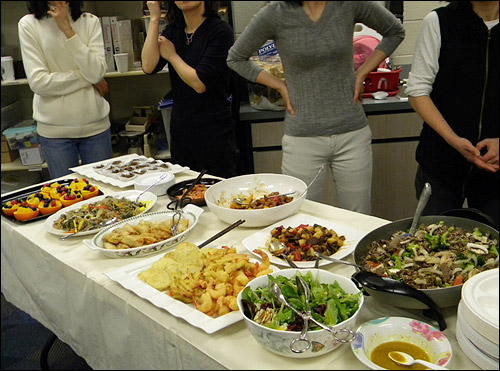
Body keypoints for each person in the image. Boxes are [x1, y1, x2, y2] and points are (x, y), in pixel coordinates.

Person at [227, 1, 404, 215]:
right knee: (299, 217)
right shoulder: (275, 14)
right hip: (302, 137)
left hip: (352, 132)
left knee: (358, 217)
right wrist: (280, 85)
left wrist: (363, 72)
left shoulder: (349, 5)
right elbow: (236, 58)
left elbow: (395, 31)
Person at [406, 1, 499, 228]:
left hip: (496, 169)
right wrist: (454, 140)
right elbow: (418, 91)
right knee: (432, 248)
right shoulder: (438, 21)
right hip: (441, 166)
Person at [142, 1, 238, 178]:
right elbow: (148, 66)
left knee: (216, 193)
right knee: (184, 193)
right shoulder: (173, 31)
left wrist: (172, 56)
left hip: (214, 130)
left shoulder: (219, 31)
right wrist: (155, 19)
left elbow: (199, 84)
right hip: (181, 129)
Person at [18, 1, 113, 179]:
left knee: (105, 196)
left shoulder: (89, 21)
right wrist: (88, 78)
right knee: (65, 198)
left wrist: (68, 30)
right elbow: (39, 83)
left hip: (95, 127)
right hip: (55, 132)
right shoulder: (29, 24)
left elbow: (97, 72)